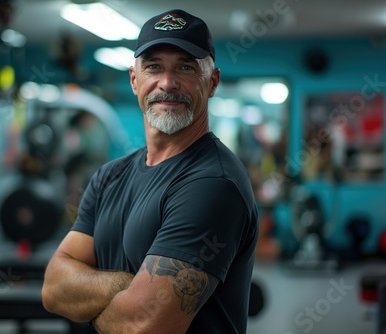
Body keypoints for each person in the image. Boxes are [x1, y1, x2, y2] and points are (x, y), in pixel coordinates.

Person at [42, 8, 258, 334]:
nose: (167, 83)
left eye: (185, 68)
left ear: (212, 82)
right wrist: (125, 286)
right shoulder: (109, 176)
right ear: (134, 79)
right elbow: (54, 288)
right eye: (154, 67)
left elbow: (145, 324)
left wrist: (91, 301)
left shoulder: (213, 183)